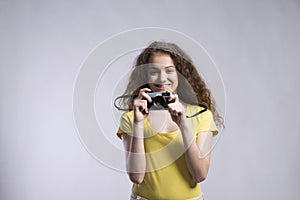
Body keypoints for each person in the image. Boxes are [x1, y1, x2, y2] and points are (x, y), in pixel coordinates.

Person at [116, 41, 224, 200]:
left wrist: (184, 124)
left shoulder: (202, 115)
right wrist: (138, 124)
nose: (162, 78)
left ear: (180, 74)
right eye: (154, 71)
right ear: (146, 75)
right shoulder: (131, 118)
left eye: (169, 71)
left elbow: (200, 174)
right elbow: (136, 177)